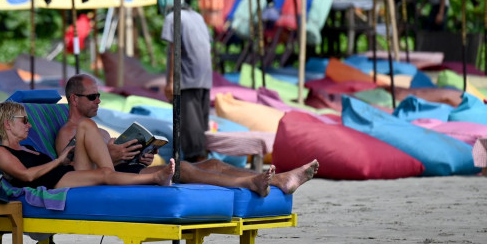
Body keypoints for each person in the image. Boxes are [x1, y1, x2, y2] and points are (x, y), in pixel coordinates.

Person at [56, 74, 319, 197]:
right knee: (184, 168)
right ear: (74, 100)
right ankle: (254, 182)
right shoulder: (66, 133)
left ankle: (278, 180)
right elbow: (78, 172)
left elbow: (111, 157)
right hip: (113, 181)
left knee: (213, 163)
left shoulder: (98, 129)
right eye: (92, 96)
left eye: (99, 95)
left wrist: (139, 153)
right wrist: (113, 157)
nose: (99, 101)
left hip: (130, 170)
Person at [0, 101, 175, 189]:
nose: (29, 124)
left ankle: (124, 165)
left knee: (86, 125)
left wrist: (65, 161)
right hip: (53, 182)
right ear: (7, 123)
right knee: (104, 173)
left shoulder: (28, 148)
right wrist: (58, 160)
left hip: (65, 173)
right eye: (24, 120)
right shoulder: (0, 151)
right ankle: (155, 178)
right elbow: (26, 176)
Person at [157, 0, 212, 163]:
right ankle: (203, 162)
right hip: (204, 79)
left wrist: (172, 81)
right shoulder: (197, 17)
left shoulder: (173, 18)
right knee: (200, 128)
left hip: (186, 79)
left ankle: (198, 168)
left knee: (191, 133)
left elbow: (175, 50)